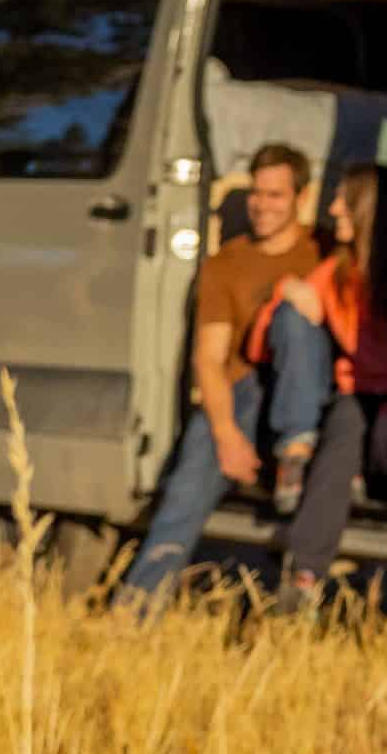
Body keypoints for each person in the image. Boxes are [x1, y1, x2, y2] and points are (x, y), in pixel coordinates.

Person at [116, 142, 326, 612]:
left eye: (276, 195)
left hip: (312, 396)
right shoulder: (226, 263)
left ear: (301, 197)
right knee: (187, 487)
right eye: (257, 193)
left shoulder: (324, 251)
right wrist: (228, 434)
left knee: (294, 319)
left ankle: (295, 453)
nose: (262, 205)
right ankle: (135, 608)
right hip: (246, 394)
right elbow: (210, 359)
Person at [244, 161, 387, 612]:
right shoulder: (338, 269)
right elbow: (264, 345)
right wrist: (286, 293)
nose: (333, 207)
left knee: (380, 436)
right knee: (342, 437)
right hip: (356, 395)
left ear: (369, 210)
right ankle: (302, 581)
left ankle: (368, 472)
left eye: (344, 199)